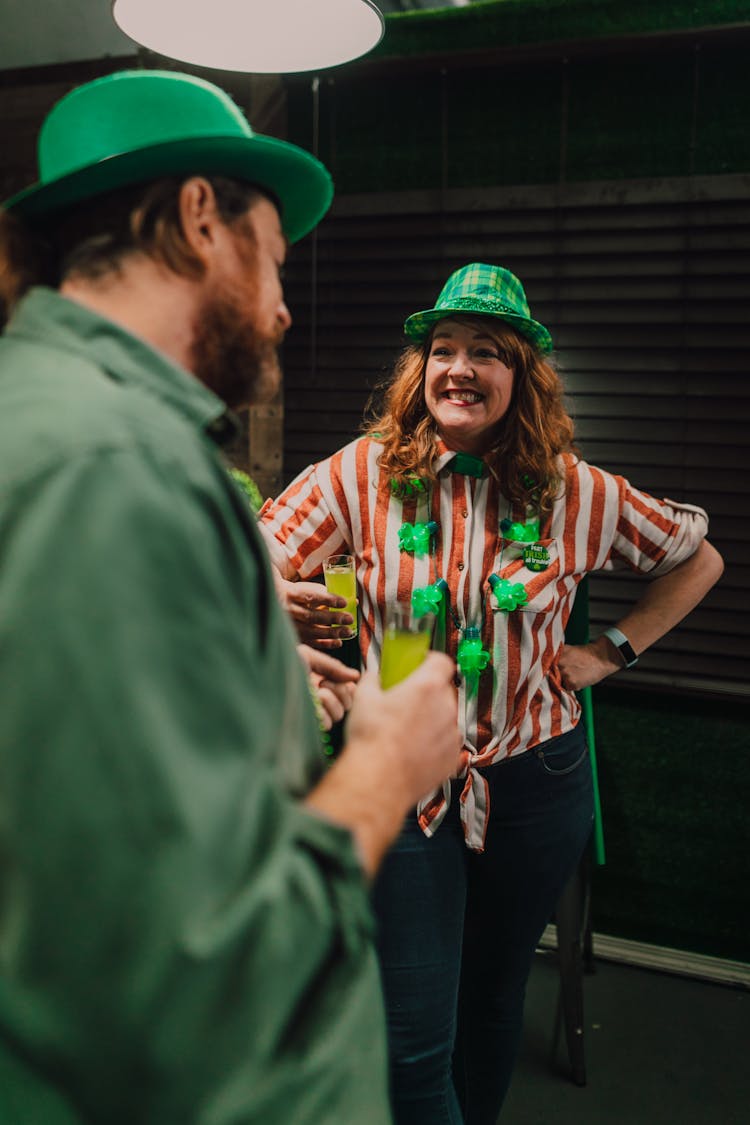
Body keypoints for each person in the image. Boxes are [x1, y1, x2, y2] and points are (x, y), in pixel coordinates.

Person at [0, 70, 465, 1125]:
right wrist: (389, 767)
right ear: (200, 218)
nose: (287, 307)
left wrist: (243, 673)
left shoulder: (54, 422)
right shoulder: (108, 466)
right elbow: (191, 978)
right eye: (277, 262)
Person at [259, 261, 724, 1123]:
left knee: (493, 998)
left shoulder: (574, 491)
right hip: (402, 775)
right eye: (443, 348)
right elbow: (248, 550)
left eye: (486, 350)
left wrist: (610, 651)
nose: (459, 366)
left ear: (521, 375)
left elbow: (698, 558)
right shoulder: (361, 474)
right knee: (408, 1037)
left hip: (533, 775)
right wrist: (272, 599)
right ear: (420, 369)